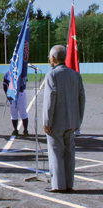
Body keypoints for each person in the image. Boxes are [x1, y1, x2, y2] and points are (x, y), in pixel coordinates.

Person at [43, 45, 85, 193]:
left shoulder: (52, 75)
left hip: (56, 122)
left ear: (53, 58)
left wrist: (47, 122)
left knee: (56, 153)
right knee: (69, 152)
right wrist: (78, 120)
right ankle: (69, 183)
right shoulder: (76, 75)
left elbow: (50, 101)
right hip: (72, 121)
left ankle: (58, 185)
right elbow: (82, 99)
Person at [2, 71, 29, 136]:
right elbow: (4, 84)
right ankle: (15, 129)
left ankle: (25, 130)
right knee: (13, 113)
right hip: (11, 94)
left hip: (20, 93)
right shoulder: (7, 73)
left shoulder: (21, 72)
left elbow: (25, 80)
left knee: (23, 112)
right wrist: (6, 93)